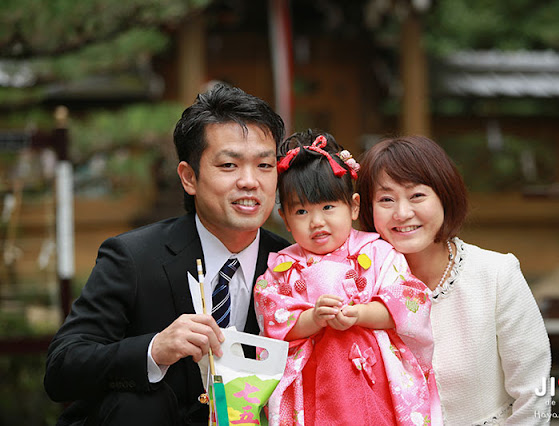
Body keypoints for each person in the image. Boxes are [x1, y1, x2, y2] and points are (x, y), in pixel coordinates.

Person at [44, 83, 291, 426]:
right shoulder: (132, 258)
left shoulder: (296, 264)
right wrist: (154, 350)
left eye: (265, 165)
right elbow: (62, 368)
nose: (250, 181)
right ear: (189, 177)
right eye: (229, 165)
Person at [357, 135, 552, 425]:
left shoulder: (496, 274)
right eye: (386, 199)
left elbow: (534, 392)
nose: (402, 213)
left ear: (445, 196)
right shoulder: (356, 285)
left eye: (417, 196)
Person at [254, 130, 442, 426]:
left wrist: (361, 314)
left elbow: (408, 303)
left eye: (328, 207)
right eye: (301, 211)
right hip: (313, 380)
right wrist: (314, 319)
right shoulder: (281, 268)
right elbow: (274, 323)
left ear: (353, 206)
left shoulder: (380, 252)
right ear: (285, 219)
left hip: (375, 377)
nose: (317, 221)